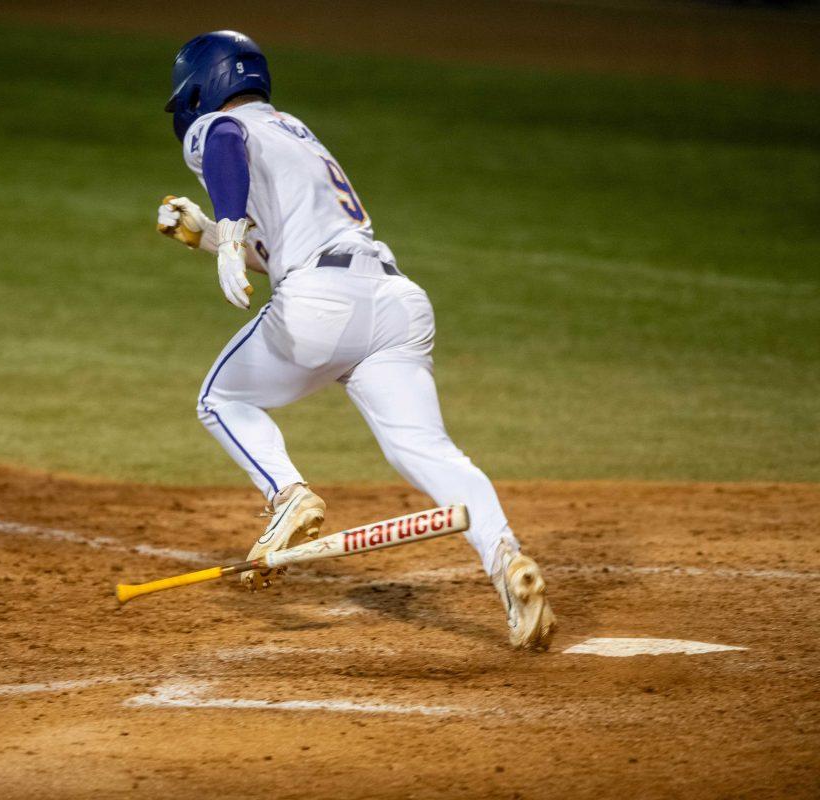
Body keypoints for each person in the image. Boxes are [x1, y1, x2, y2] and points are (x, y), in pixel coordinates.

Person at [156, 31, 555, 650]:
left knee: (221, 399)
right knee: (429, 451)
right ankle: (509, 564)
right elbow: (289, 246)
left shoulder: (221, 127)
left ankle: (287, 494)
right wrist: (208, 235)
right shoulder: (295, 131)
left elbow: (227, 144)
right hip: (394, 304)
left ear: (203, 90)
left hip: (322, 306)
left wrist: (229, 231)